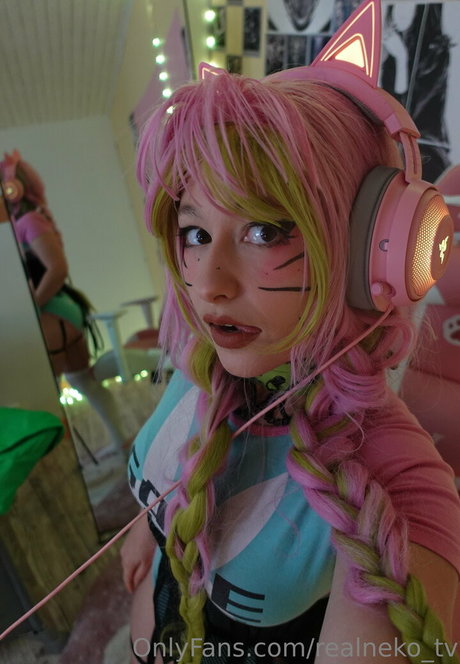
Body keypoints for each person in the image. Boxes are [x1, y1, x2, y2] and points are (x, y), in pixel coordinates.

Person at [123, 1, 460, 662]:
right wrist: (151, 527)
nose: (209, 283)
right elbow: (174, 477)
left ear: (371, 252)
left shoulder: (399, 484)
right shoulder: (209, 357)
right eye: (196, 233)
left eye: (263, 230)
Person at [0, 150, 127, 458]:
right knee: (83, 381)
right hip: (60, 311)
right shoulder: (20, 222)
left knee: (47, 394)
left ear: (13, 187)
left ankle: (70, 466)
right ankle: (121, 443)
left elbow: (57, 269)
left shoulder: (29, 220)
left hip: (55, 311)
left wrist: (32, 308)